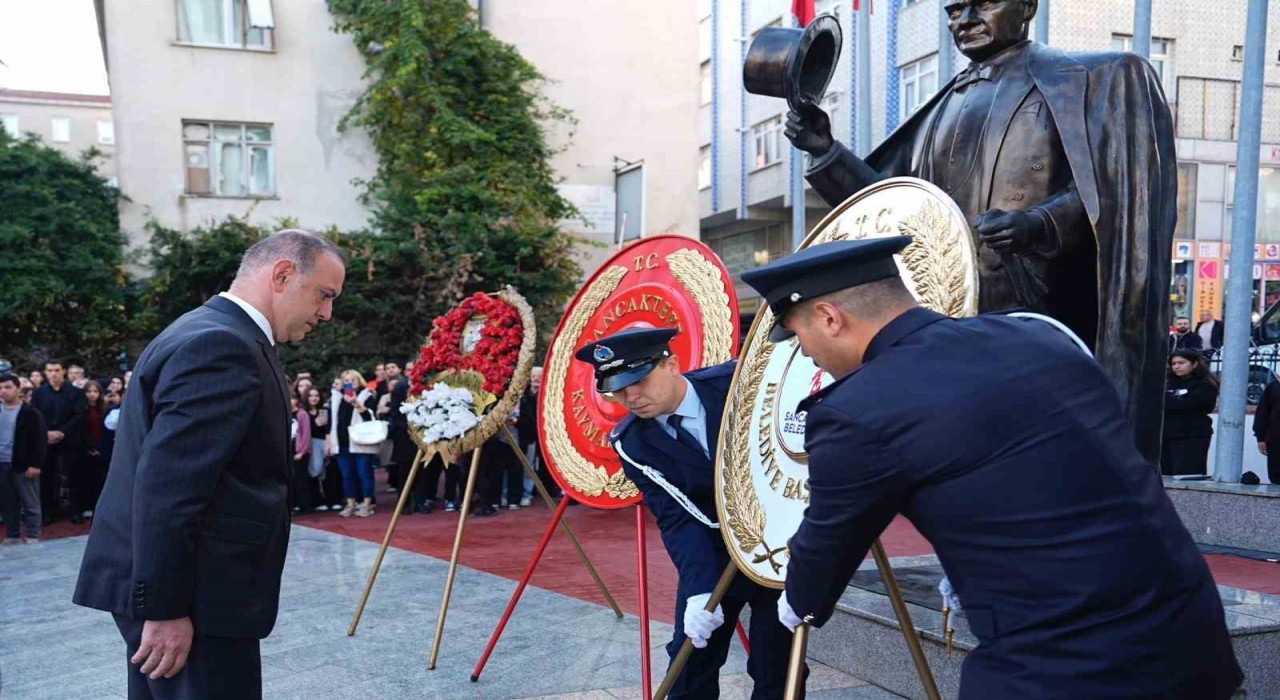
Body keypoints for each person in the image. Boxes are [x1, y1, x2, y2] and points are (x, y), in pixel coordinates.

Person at [739, 236, 1242, 699]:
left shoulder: (858, 409)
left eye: (799, 336)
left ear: (829, 317)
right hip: (1194, 642)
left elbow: (828, 541)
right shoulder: (1037, 337)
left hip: (1066, 667)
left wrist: (801, 599)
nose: (807, 353)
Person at [781, 0, 1175, 464]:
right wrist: (827, 152)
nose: (965, 21)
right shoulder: (939, 108)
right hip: (947, 327)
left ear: (1027, 6)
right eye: (954, 11)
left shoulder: (1096, 77)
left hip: (1041, 330)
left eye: (983, 3)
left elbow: (1119, 191)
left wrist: (1039, 222)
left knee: (1041, 461)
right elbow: (891, 207)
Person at [73, 229, 346, 700]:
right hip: (195, 602)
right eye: (324, 295)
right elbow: (169, 488)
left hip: (195, 593)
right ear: (283, 274)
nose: (327, 313)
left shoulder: (209, 330)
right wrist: (164, 609)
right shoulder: (222, 345)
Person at [579, 328, 802, 699]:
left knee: (777, 664)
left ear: (671, 365)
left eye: (639, 381)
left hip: (777, 541)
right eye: (617, 390)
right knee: (689, 662)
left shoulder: (737, 384)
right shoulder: (633, 441)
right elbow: (677, 517)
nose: (630, 398)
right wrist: (699, 592)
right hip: (712, 551)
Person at [32, 359, 86, 524]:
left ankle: (76, 511)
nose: (53, 374)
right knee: (46, 477)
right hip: (46, 440)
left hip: (69, 440)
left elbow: (79, 415)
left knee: (74, 475)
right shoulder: (39, 393)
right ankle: (48, 512)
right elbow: (35, 415)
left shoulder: (76, 392)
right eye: (49, 371)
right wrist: (46, 433)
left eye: (56, 370)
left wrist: (62, 432)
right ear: (45, 373)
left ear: (63, 371)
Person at [0, 372, 48, 543]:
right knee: (7, 502)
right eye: (0, 388)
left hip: (23, 464)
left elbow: (39, 439)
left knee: (30, 502)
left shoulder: (29, 413)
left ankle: (33, 534)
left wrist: (35, 464)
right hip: (2, 463)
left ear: (18, 389)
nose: (3, 391)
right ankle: (12, 534)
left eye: (8, 387)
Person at [328, 369, 379, 518]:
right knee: (347, 475)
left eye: (353, 379)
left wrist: (356, 403)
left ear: (359, 380)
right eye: (346, 380)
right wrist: (329, 441)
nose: (349, 383)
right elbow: (332, 421)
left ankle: (367, 504)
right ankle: (351, 503)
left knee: (364, 473)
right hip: (342, 442)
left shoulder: (367, 395)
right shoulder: (336, 397)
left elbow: (370, 418)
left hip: (361, 442)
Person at [1162, 350, 1219, 477]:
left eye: (1181, 363)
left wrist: (1167, 400)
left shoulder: (1205, 384)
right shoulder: (1168, 383)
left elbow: (1192, 404)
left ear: (1194, 364)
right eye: (1173, 363)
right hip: (1167, 435)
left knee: (1187, 474)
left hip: (1191, 435)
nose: (1176, 366)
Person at [76, 380, 110, 524]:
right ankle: (85, 507)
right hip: (85, 451)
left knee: (100, 480)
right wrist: (89, 448)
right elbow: (80, 431)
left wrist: (99, 448)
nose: (92, 394)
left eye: (95, 391)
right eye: (89, 391)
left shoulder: (106, 409)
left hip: (102, 450)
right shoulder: (80, 409)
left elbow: (107, 431)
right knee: (85, 480)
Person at [288, 396, 313, 513]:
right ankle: (293, 504)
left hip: (299, 450)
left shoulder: (302, 414)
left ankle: (304, 504)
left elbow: (306, 433)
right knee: (290, 479)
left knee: (301, 478)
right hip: (288, 450)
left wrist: (302, 451)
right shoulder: (284, 413)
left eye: (292, 398)